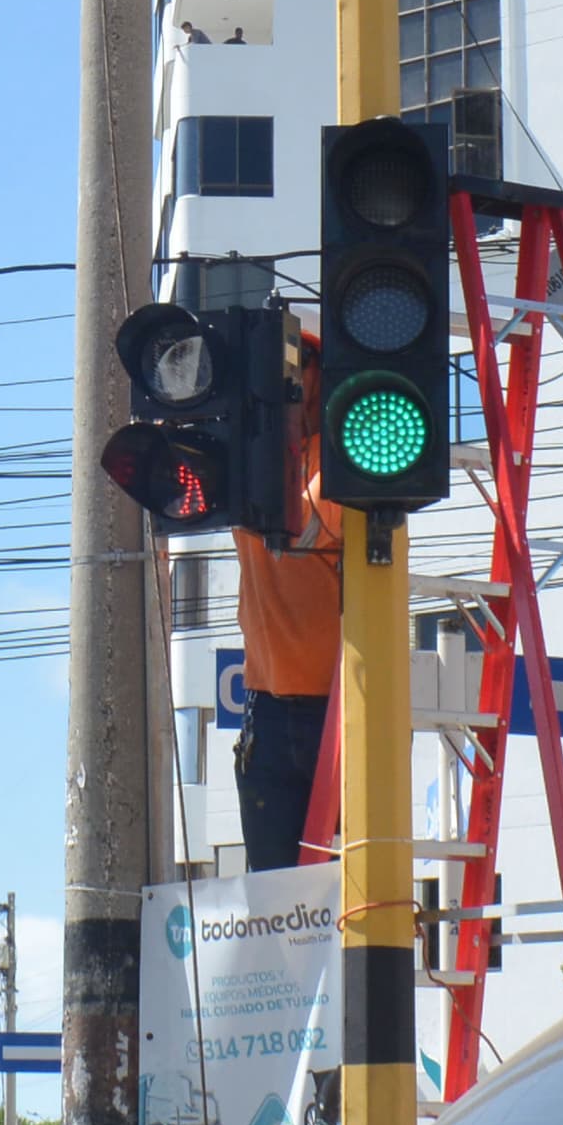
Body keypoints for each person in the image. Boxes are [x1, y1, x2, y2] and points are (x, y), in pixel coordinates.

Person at [229, 327, 340, 872]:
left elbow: (302, 529)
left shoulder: (340, 461)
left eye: (301, 368)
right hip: (268, 708)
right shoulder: (247, 456)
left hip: (338, 709)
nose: (289, 383)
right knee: (275, 904)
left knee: (345, 901)